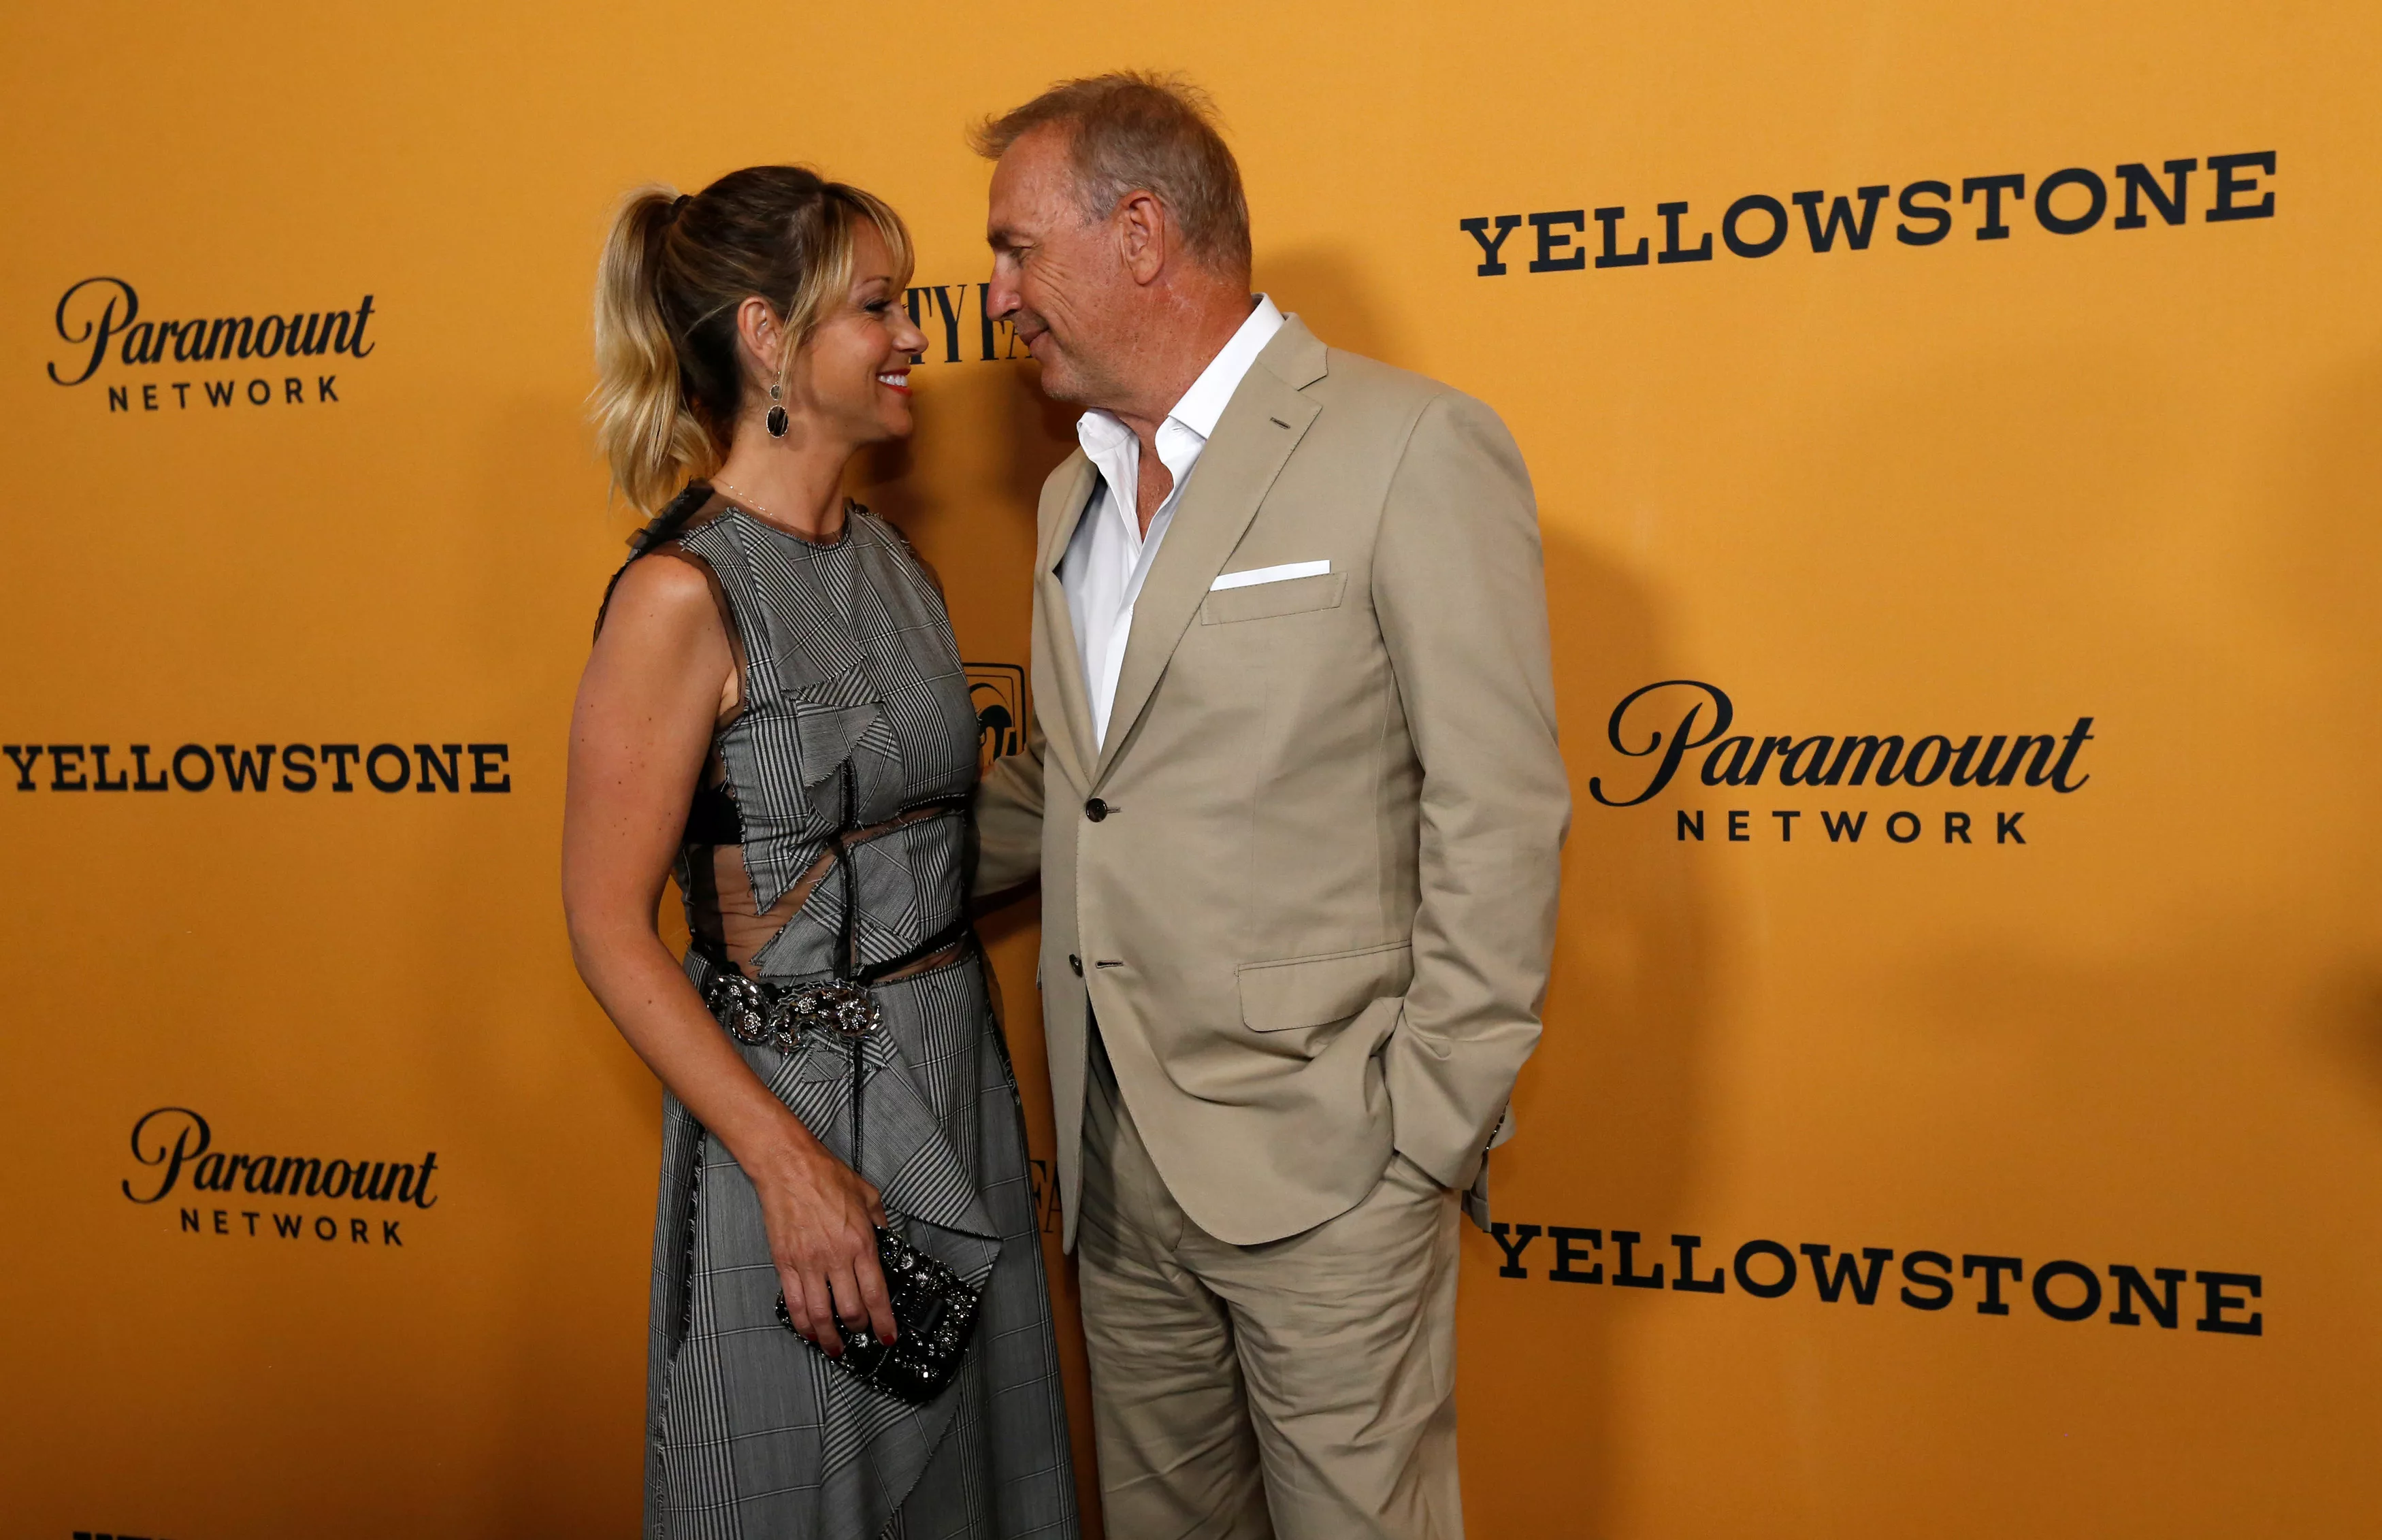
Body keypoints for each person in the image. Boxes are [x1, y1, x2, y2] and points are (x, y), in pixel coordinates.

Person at [968, 75, 1569, 1540]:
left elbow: (1497, 806)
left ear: (1139, 230)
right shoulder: (1073, 496)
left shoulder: (1407, 447)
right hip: (1115, 1168)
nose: (992, 298)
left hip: (1327, 1165)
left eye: (1015, 249)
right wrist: (830, 871)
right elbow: (1078, 784)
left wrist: (1423, 1131)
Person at [563, 166, 1077, 1540]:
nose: (918, 334)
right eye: (879, 307)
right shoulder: (682, 595)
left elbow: (942, 838)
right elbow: (609, 927)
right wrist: (786, 1169)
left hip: (953, 1080)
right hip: (789, 1117)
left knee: (976, 1487)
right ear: (768, 337)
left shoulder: (891, 561)